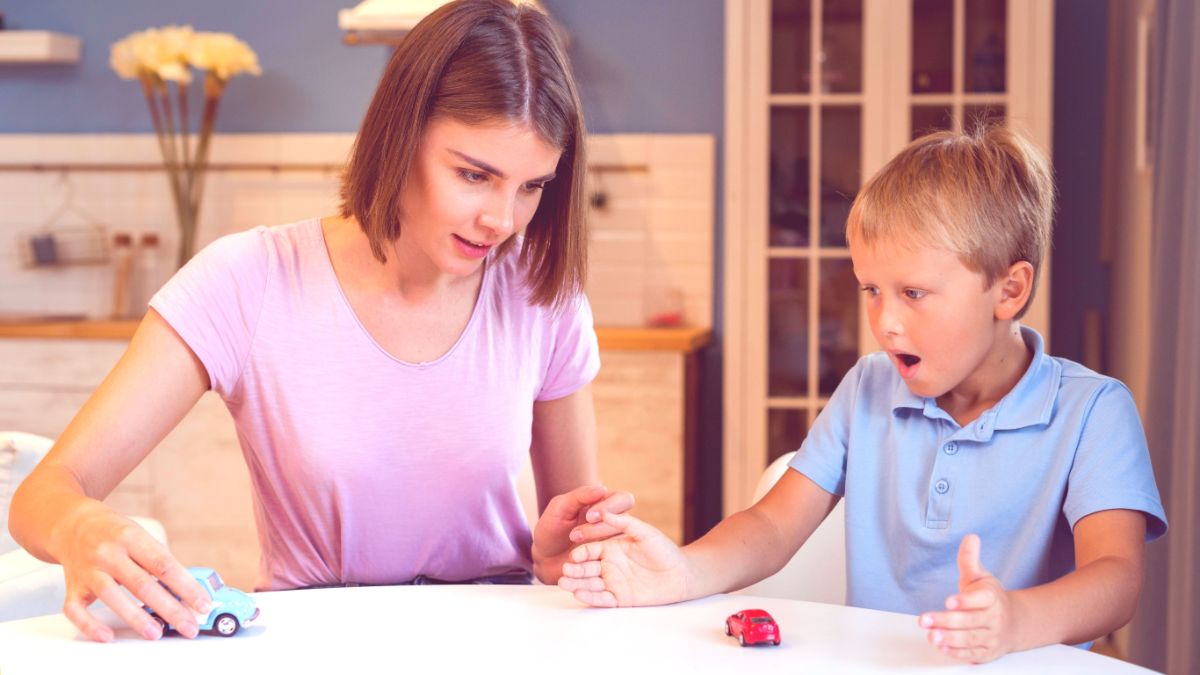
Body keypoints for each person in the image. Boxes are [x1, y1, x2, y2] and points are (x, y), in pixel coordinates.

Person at [10, 0, 630, 644]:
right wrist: (79, 527)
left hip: (498, 640)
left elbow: (569, 536)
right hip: (316, 644)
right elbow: (44, 494)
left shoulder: (540, 292)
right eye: (474, 175)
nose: (502, 220)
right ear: (401, 136)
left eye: (532, 187)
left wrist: (571, 556)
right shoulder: (247, 279)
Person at [556, 126, 1168, 664]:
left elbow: (1115, 581)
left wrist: (1014, 622)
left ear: (1008, 291)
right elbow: (773, 525)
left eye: (914, 293)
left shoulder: (1092, 411)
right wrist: (685, 570)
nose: (885, 322)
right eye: (870, 289)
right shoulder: (869, 387)